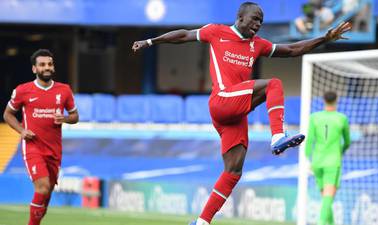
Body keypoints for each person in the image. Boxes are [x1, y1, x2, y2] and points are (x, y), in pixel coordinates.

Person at [132, 2, 351, 225]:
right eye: (254, 19)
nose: (257, 24)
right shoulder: (217, 32)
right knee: (273, 84)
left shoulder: (257, 45)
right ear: (240, 17)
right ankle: (277, 137)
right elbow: (184, 35)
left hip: (234, 115)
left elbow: (292, 50)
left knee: (233, 172)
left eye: (261, 22)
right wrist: (150, 41)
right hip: (222, 100)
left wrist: (324, 39)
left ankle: (202, 221)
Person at [3, 49, 79, 225]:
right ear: (34, 69)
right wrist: (21, 131)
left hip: (54, 150)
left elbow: (75, 117)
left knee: (47, 194)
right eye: (42, 64)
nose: (47, 67)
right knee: (42, 187)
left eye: (50, 64)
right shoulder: (23, 90)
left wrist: (66, 118)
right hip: (33, 146)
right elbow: (8, 115)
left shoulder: (64, 90)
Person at [305, 91, 351, 225]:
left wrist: (308, 160)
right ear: (337, 100)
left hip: (317, 162)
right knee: (328, 198)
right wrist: (341, 151)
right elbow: (347, 141)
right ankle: (320, 222)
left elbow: (309, 141)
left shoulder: (314, 117)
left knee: (326, 198)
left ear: (323, 100)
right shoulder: (342, 118)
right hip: (333, 162)